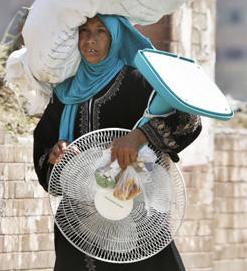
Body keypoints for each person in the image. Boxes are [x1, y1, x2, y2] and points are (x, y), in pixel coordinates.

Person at [33, 14, 202, 271]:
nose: (90, 40)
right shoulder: (65, 92)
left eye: (101, 31)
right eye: (84, 30)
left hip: (135, 219)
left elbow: (189, 120)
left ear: (116, 38)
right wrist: (56, 154)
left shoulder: (141, 82)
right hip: (79, 224)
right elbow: (44, 145)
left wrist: (140, 136)